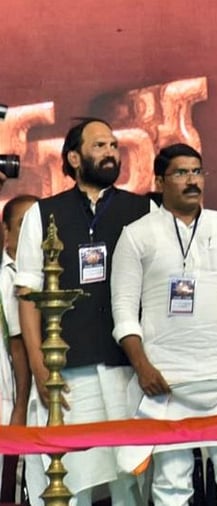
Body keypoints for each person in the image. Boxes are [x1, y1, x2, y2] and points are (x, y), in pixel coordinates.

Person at [111, 143, 217, 506]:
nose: (191, 180)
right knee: (171, 490)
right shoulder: (136, 234)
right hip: (166, 383)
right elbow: (123, 314)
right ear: (159, 180)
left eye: (197, 171)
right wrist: (143, 368)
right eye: (181, 173)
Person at [16, 118, 152, 506]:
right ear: (74, 157)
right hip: (69, 372)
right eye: (99, 146)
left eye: (113, 145)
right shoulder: (43, 215)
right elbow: (29, 297)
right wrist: (43, 370)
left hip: (128, 368)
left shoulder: (143, 209)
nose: (110, 152)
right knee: (70, 482)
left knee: (131, 482)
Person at [0, 194, 36, 497]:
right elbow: (18, 344)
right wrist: (22, 404)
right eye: (25, 224)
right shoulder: (7, 278)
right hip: (18, 395)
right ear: (7, 232)